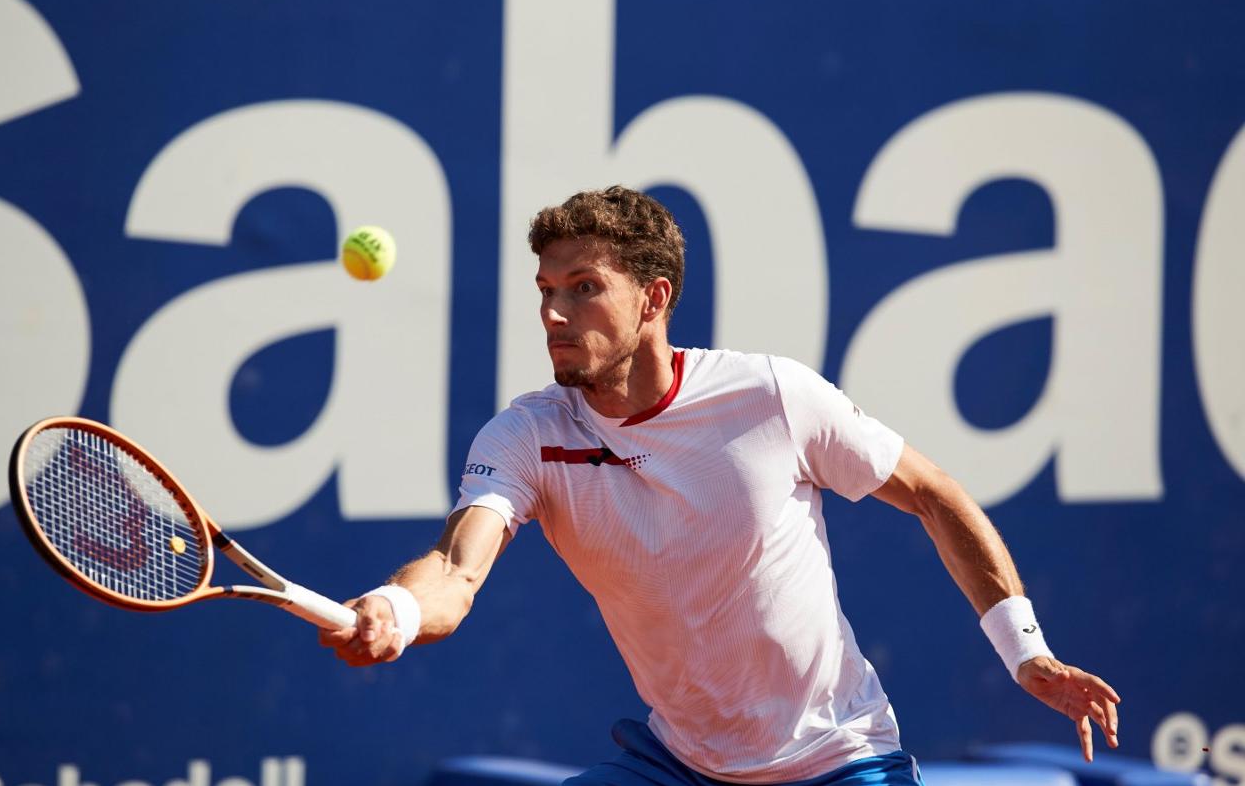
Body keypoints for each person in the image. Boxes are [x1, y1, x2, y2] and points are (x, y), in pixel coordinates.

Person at [319, 186, 1120, 786]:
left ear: (653, 299)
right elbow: (457, 570)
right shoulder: (526, 433)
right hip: (683, 765)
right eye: (545, 292)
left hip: (837, 758)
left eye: (583, 288)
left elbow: (932, 493)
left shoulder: (771, 397)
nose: (555, 314)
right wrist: (397, 608)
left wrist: (1028, 654)